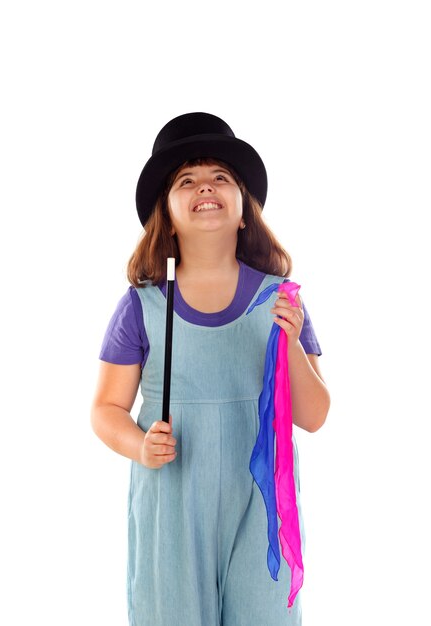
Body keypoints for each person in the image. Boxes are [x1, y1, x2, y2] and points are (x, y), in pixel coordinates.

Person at [90, 112, 330, 626]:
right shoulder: (142, 307)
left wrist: (288, 342)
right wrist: (137, 445)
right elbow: (106, 408)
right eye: (187, 180)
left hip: (259, 503)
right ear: (167, 213)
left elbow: (312, 416)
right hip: (172, 502)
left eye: (221, 177)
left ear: (244, 211)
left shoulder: (280, 300)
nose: (206, 187)